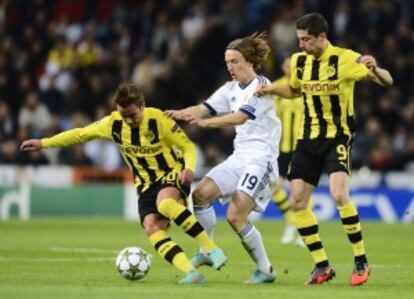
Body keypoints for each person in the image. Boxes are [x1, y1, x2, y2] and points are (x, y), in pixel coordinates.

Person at [20, 82, 227, 284]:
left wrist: (189, 168)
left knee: (164, 203)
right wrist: (44, 143)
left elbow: (187, 147)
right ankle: (192, 273)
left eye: (132, 115)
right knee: (151, 227)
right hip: (145, 184)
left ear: (142, 106)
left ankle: (212, 248)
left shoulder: (159, 119)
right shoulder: (113, 123)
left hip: (171, 173)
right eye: (123, 115)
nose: (127, 120)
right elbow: (81, 134)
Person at [256, 13, 393, 286]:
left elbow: (387, 80)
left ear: (322, 36)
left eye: (307, 39)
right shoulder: (299, 61)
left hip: (338, 137)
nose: (302, 45)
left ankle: (361, 260)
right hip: (307, 139)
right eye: (299, 39)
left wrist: (375, 69)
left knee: (339, 194)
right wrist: (271, 90)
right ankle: (322, 265)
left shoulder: (345, 58)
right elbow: (295, 90)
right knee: (297, 201)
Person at [165, 32, 280, 283]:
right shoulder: (230, 88)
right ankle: (206, 250)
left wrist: (205, 124)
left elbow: (240, 117)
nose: (230, 67)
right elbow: (203, 108)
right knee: (200, 195)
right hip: (239, 157)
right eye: (227, 62)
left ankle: (266, 269)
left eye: (235, 61)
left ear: (250, 60)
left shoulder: (262, 87)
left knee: (235, 217)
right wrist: (180, 113)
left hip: (262, 160)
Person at [270, 56, 306, 247]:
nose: (289, 69)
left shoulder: (306, 85)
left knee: (301, 190)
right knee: (274, 187)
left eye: (292, 66)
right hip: (281, 147)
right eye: (286, 66)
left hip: (302, 146)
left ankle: (303, 230)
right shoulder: (276, 88)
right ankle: (291, 221)